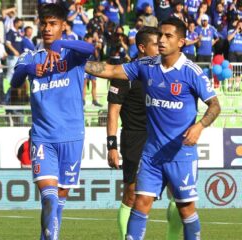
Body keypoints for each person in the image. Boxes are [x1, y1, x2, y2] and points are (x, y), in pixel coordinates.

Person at [85, 17, 221, 239]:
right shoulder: (146, 66)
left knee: (185, 208)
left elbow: (215, 105)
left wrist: (199, 126)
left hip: (181, 153)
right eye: (160, 35)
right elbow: (110, 70)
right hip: (151, 153)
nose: (162, 40)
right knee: (140, 201)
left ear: (181, 42)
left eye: (168, 36)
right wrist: (78, 63)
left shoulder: (192, 72)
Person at [11, 3, 94, 239]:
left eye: (53, 24)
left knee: (59, 199)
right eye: (44, 24)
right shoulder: (30, 56)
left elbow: (90, 48)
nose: (48, 28)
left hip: (72, 135)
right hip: (42, 136)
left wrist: (61, 43)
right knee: (48, 196)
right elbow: (15, 82)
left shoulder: (73, 54)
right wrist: (29, 69)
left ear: (63, 26)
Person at [107, 26, 182, 240]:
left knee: (179, 194)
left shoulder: (164, 71)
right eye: (155, 45)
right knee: (132, 194)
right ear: (141, 47)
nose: (160, 48)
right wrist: (111, 145)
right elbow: (113, 112)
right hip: (135, 139)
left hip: (164, 138)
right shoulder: (124, 74)